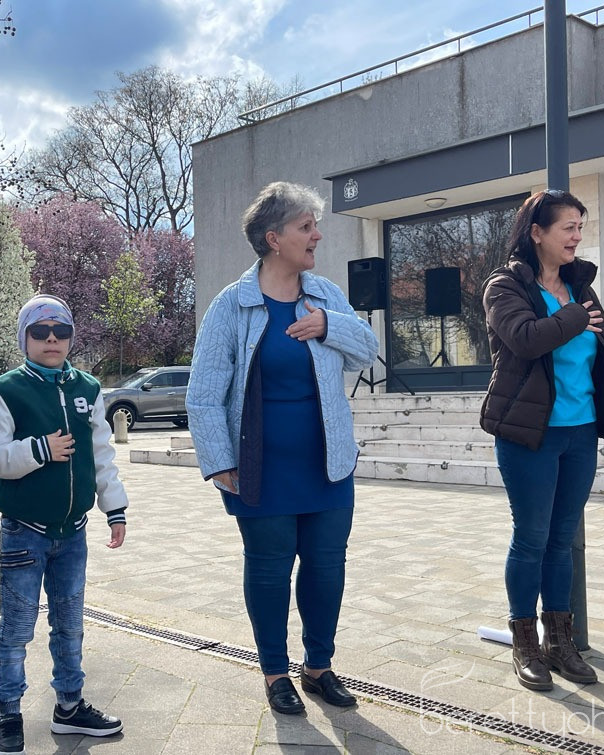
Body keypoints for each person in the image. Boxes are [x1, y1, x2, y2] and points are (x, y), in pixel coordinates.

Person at [186, 182, 379, 715]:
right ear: (274, 238)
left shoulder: (325, 296)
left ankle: (318, 668)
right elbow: (203, 393)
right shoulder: (232, 304)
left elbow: (368, 351)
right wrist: (218, 461)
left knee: (326, 567)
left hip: (328, 463)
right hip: (261, 468)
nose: (317, 235)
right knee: (270, 571)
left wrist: (329, 326)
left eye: (315, 225)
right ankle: (275, 672)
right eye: (305, 226)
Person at [480, 188, 604, 692]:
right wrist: (573, 317)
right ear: (537, 232)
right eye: (568, 227)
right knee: (532, 537)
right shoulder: (505, 286)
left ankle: (559, 642)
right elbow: (526, 339)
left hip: (580, 432)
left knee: (562, 539)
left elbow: (603, 363)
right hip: (529, 435)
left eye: (580, 227)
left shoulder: (580, 287)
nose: (576, 237)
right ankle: (525, 643)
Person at [0, 294, 127, 754]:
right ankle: (8, 712)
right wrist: (39, 449)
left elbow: (101, 453)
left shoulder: (87, 387)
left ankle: (69, 705)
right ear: (23, 338)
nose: (51, 340)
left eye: (60, 332)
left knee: (70, 625)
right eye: (39, 332)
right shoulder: (5, 390)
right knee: (16, 629)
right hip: (25, 533)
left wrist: (114, 507)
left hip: (74, 532)